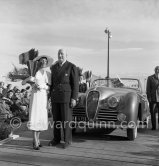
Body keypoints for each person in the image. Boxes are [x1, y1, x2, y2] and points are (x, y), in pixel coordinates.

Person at [49, 48, 79, 148]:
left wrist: (74, 98)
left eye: (62, 54)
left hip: (66, 97)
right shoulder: (53, 67)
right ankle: (56, 139)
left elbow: (75, 84)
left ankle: (67, 140)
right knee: (56, 120)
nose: (60, 56)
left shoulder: (71, 66)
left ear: (66, 55)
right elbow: (51, 84)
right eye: (59, 54)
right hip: (55, 97)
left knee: (66, 120)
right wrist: (49, 97)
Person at [22, 55, 53, 150]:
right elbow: (23, 82)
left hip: (43, 96)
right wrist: (30, 79)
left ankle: (37, 140)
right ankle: (35, 141)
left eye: (45, 61)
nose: (43, 62)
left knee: (40, 118)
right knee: (35, 117)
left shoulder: (48, 73)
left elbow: (49, 86)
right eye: (42, 60)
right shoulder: (34, 72)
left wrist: (42, 86)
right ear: (38, 62)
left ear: (47, 63)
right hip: (35, 96)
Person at [146, 66, 159, 130]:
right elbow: (148, 89)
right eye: (156, 69)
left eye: (158, 69)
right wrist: (149, 98)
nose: (157, 70)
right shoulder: (150, 78)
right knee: (153, 113)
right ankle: (154, 127)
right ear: (154, 70)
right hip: (153, 99)